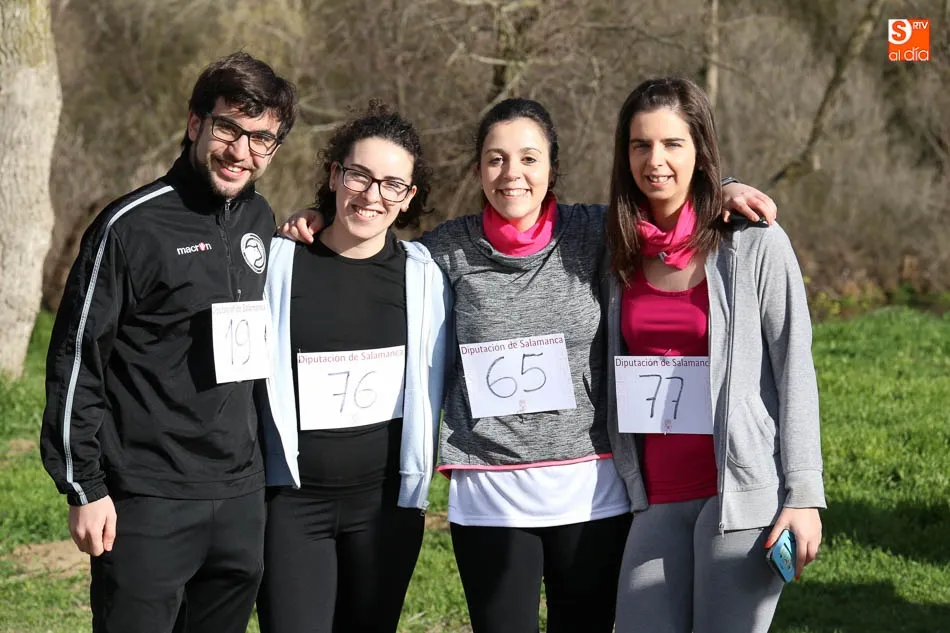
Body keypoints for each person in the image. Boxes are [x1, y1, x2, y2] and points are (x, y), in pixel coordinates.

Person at [282, 97, 777, 633]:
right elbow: (370, 247)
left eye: (528, 158)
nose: (511, 173)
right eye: (495, 159)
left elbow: (668, 208)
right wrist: (318, 220)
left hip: (590, 493)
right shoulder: (446, 250)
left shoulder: (597, 231)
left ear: (552, 169)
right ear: (478, 170)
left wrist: (722, 190)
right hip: (490, 497)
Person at [39, 52, 297, 633]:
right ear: (195, 123)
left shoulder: (260, 218)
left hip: (239, 496)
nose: (241, 151)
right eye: (228, 128)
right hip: (147, 498)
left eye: (262, 139)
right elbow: (77, 360)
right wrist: (83, 487)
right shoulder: (129, 228)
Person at [603, 77, 825, 633]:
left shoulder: (754, 242)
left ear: (699, 150)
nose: (655, 160)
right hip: (655, 497)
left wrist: (803, 495)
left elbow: (795, 369)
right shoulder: (616, 249)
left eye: (672, 144)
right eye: (640, 145)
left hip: (740, 497)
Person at [255, 102, 453, 633]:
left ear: (408, 197)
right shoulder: (278, 263)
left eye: (392, 184)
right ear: (334, 175)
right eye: (359, 175)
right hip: (292, 508)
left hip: (385, 510)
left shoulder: (426, 277)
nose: (371, 195)